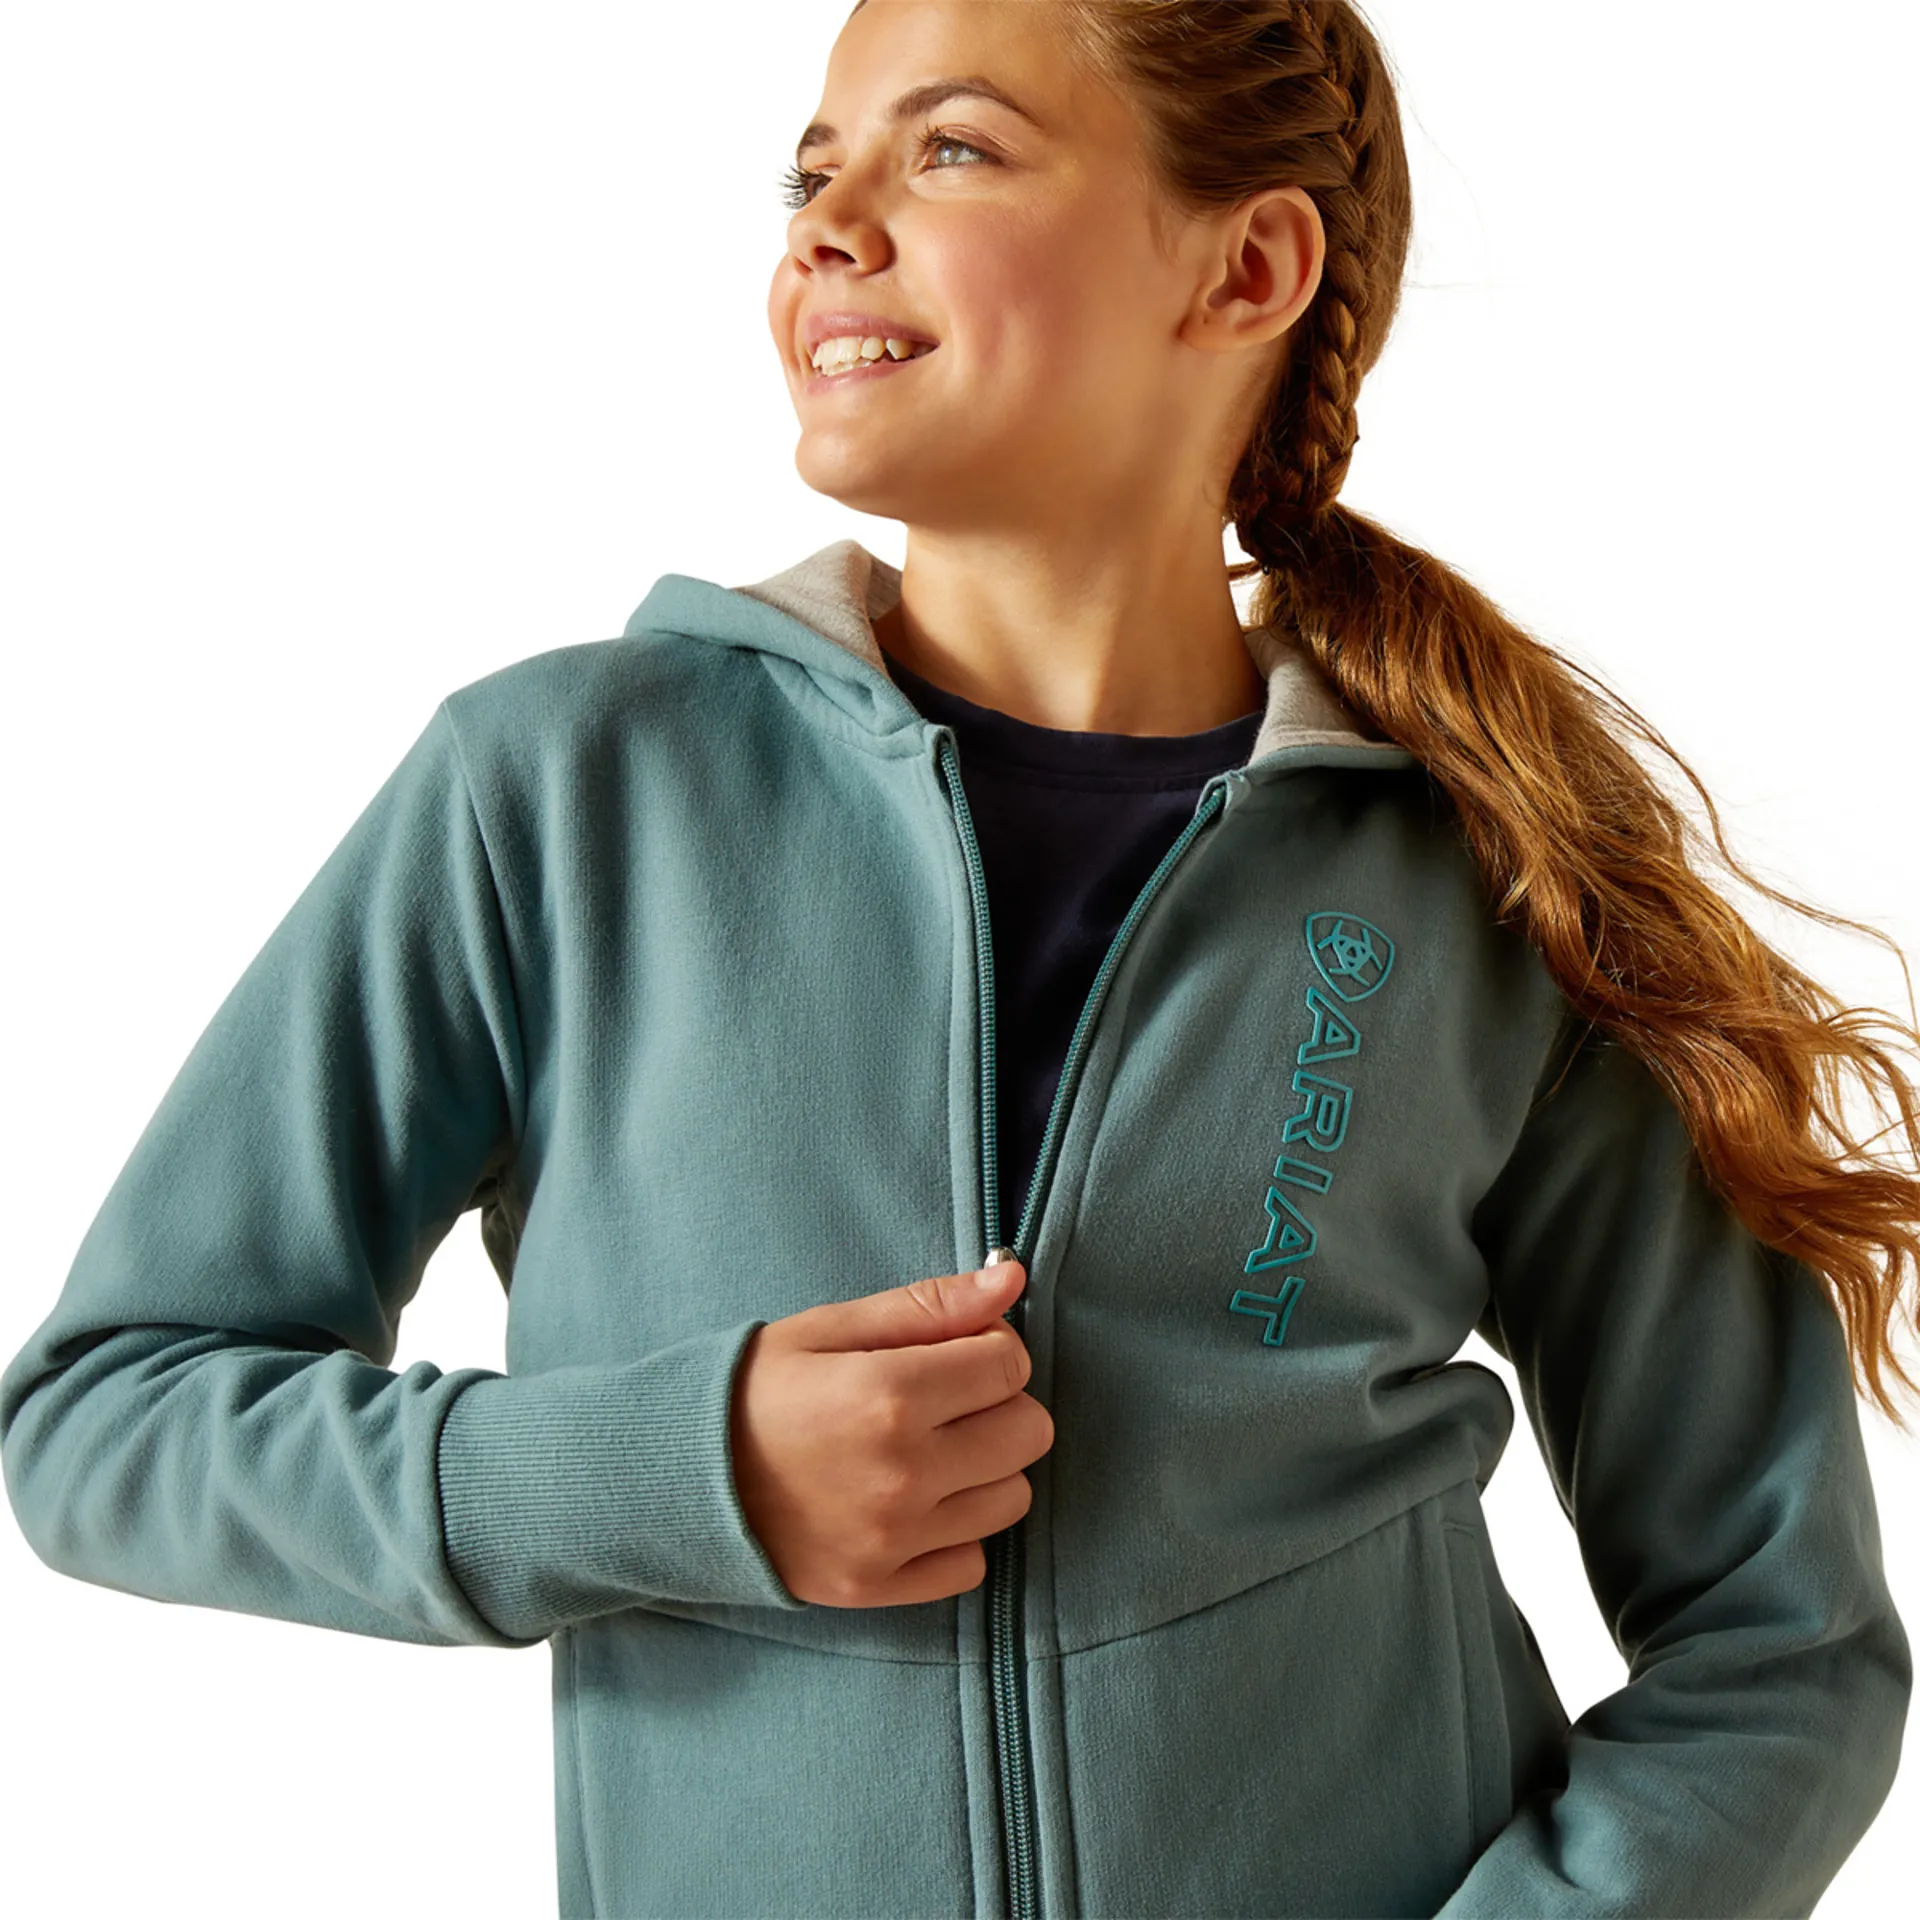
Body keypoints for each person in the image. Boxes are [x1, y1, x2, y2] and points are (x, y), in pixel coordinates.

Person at [3, 1, 1914, 1915]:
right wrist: (673, 1473)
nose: (828, 227)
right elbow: (107, 1416)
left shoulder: (1486, 866)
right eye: (809, 171)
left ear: (1247, 268)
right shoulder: (562, 795)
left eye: (951, 149)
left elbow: (1782, 1649)